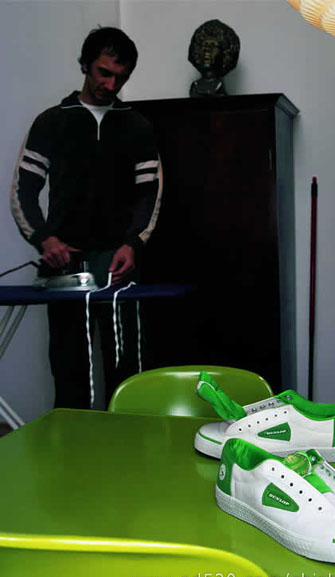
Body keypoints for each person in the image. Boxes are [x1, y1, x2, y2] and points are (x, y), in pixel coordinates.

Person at [10, 26, 162, 408]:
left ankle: (126, 441)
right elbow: (22, 191)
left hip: (117, 262)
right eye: (103, 73)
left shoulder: (138, 126)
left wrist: (133, 243)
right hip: (64, 263)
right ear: (84, 65)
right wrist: (44, 239)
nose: (111, 85)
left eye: (121, 78)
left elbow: (150, 194)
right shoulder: (51, 122)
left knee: (126, 370)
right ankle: (71, 443)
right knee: (69, 368)